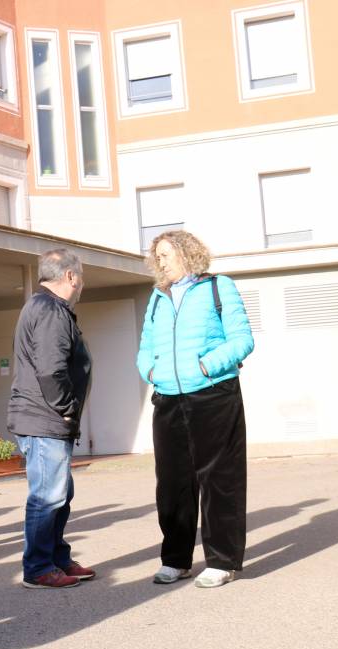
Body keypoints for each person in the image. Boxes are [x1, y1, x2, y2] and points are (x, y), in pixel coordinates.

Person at [136, 231, 254, 588]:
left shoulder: (219, 287)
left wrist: (206, 366)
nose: (161, 261)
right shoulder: (158, 297)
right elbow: (145, 346)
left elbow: (242, 339)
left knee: (219, 481)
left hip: (213, 396)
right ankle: (176, 560)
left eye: (167, 254)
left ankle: (222, 561)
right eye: (157, 256)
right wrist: (150, 371)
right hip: (168, 398)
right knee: (172, 485)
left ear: (188, 254)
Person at [6, 249, 95, 589]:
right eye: (81, 275)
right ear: (70, 277)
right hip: (45, 419)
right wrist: (67, 406)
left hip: (46, 419)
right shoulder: (50, 310)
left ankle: (57, 557)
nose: (82, 282)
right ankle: (38, 567)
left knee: (60, 493)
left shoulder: (47, 307)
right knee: (47, 496)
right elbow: (51, 369)